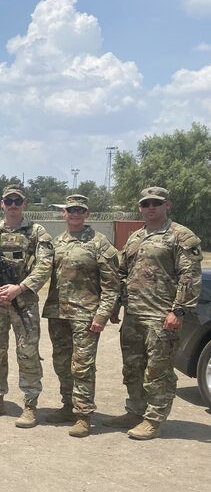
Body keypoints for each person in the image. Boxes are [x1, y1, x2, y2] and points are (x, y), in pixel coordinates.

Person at [103, 186, 202, 440]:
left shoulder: (181, 236)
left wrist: (178, 310)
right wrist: (115, 306)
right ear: (140, 208)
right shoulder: (136, 237)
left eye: (156, 203)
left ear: (167, 205)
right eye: (146, 204)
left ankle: (153, 418)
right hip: (134, 315)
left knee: (158, 371)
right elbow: (123, 273)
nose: (150, 208)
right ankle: (135, 410)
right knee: (132, 367)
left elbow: (189, 277)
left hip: (161, 316)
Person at [0, 186, 53, 427]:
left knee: (27, 353)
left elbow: (44, 265)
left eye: (17, 201)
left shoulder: (37, 232)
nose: (13, 205)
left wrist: (20, 287)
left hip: (24, 302)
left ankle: (30, 405)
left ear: (24, 203)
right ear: (2, 204)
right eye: (9, 201)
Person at [42, 194, 120, 438]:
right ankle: (68, 406)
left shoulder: (99, 243)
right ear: (64, 214)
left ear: (87, 214)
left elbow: (112, 284)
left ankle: (84, 415)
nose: (75, 214)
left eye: (79, 210)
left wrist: (102, 315)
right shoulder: (57, 242)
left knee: (82, 366)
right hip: (58, 313)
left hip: (86, 315)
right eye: (70, 210)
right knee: (61, 362)